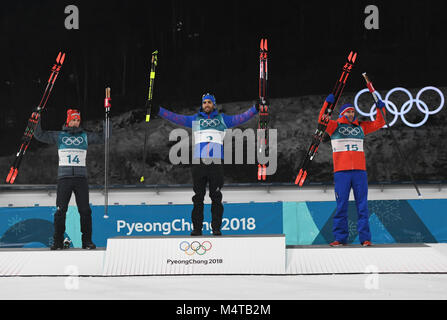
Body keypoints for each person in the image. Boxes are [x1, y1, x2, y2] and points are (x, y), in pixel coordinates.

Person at [151, 93, 259, 236]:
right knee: (198, 198)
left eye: (209, 102)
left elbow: (242, 117)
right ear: (202, 105)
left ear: (214, 104)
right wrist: (158, 110)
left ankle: (216, 228)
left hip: (216, 163)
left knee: (216, 197)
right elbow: (175, 117)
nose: (206, 105)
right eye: (204, 102)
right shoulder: (195, 120)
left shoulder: (222, 119)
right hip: (199, 164)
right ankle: (197, 229)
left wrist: (256, 108)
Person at [319, 94, 386, 247]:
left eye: (352, 111)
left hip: (359, 172)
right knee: (341, 206)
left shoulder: (361, 126)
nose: (351, 114)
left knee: (362, 206)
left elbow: (380, 122)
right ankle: (340, 238)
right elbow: (322, 119)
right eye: (348, 111)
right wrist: (327, 104)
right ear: (342, 114)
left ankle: (365, 239)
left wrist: (380, 108)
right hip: (341, 172)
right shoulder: (334, 126)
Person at [34, 109, 106, 250]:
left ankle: (87, 241)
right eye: (73, 120)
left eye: (78, 120)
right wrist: (37, 119)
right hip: (64, 179)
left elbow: (104, 137)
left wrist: (106, 119)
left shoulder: (85, 136)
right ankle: (58, 242)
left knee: (85, 211)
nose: (76, 122)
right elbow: (39, 135)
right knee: (61, 211)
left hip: (81, 179)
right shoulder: (59, 136)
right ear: (68, 120)